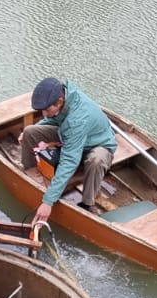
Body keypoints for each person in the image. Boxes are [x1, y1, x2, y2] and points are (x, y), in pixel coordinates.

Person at [18, 77, 118, 223]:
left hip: (98, 144)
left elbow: (69, 161)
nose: (44, 114)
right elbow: (52, 118)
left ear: (59, 101)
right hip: (71, 134)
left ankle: (87, 203)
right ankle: (28, 170)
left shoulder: (77, 120)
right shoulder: (66, 97)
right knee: (30, 131)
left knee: (96, 160)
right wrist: (38, 126)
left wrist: (48, 202)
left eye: (46, 109)